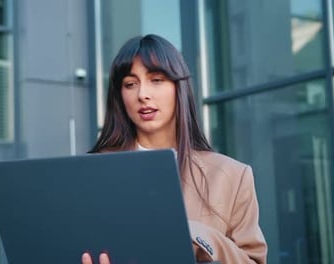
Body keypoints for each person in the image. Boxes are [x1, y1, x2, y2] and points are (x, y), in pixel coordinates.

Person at [81, 34, 267, 263]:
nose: (143, 94)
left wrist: (195, 234)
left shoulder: (232, 176)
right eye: (130, 84)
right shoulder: (92, 173)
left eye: (156, 80)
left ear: (179, 87)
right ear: (120, 96)